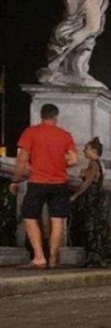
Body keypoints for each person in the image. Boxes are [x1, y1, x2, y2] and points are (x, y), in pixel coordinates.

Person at [9, 104, 78, 269]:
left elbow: (22, 159)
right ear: (56, 116)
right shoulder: (65, 135)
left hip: (38, 182)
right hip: (60, 183)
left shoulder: (31, 132)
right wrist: (59, 166)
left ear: (41, 116)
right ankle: (53, 258)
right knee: (57, 221)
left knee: (30, 217)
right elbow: (74, 160)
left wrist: (15, 180)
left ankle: (39, 258)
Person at [69, 137, 110, 267]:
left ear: (93, 150)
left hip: (92, 200)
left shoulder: (93, 163)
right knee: (96, 228)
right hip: (97, 199)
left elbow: (88, 182)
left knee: (90, 228)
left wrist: (75, 195)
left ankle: (93, 258)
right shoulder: (97, 164)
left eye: (86, 148)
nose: (83, 150)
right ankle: (98, 258)